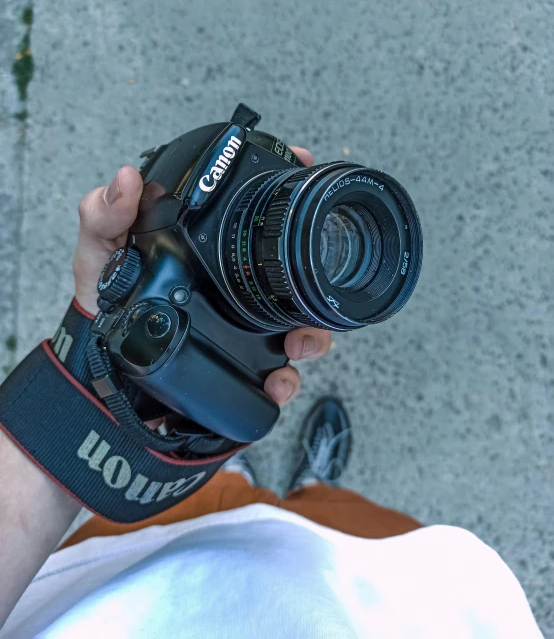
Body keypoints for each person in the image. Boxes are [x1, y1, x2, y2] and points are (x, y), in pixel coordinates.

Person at [0, 153, 542, 638]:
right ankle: (303, 486)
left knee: (227, 449)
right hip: (373, 584)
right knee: (328, 508)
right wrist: (121, 364)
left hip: (135, 557)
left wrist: (89, 378)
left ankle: (232, 474)